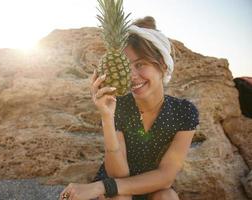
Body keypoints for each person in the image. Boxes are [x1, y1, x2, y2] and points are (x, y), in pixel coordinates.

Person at [59, 16, 199, 200]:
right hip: (115, 184)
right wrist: (107, 117)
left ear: (163, 66)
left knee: (167, 197)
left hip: (151, 184)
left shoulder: (184, 112)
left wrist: (100, 187)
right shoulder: (119, 106)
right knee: (120, 198)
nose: (132, 75)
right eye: (126, 66)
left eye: (140, 64)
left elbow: (166, 176)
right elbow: (118, 174)